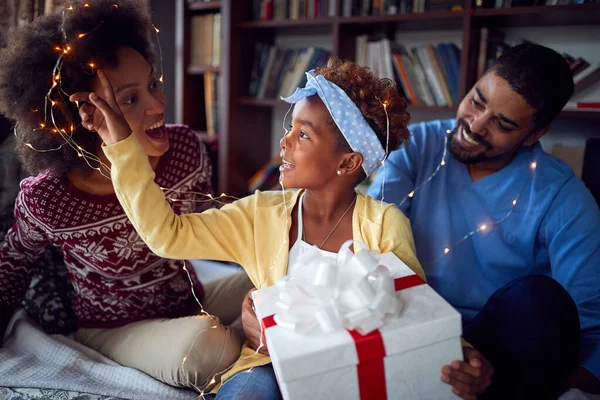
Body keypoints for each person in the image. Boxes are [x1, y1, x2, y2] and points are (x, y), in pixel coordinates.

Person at [70, 57, 454, 399]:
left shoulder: (385, 224)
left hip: (354, 370)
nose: (284, 141)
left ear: (349, 162)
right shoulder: (260, 213)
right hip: (269, 365)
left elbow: (413, 318)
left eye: (303, 134)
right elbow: (167, 234)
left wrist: (461, 355)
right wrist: (121, 144)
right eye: (291, 127)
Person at [0, 0, 253, 390]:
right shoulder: (49, 199)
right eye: (131, 99)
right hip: (114, 329)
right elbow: (13, 265)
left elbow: (208, 224)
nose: (158, 105)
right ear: (85, 116)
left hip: (191, 300)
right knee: (207, 348)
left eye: (153, 84)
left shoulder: (185, 149)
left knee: (285, 275)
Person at [367, 42, 600, 399]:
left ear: (535, 134)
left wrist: (574, 390)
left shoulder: (564, 197)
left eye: (503, 124)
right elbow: (368, 241)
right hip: (410, 327)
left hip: (502, 355)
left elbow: (588, 325)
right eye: (477, 101)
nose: (475, 126)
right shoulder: (418, 146)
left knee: (539, 300)